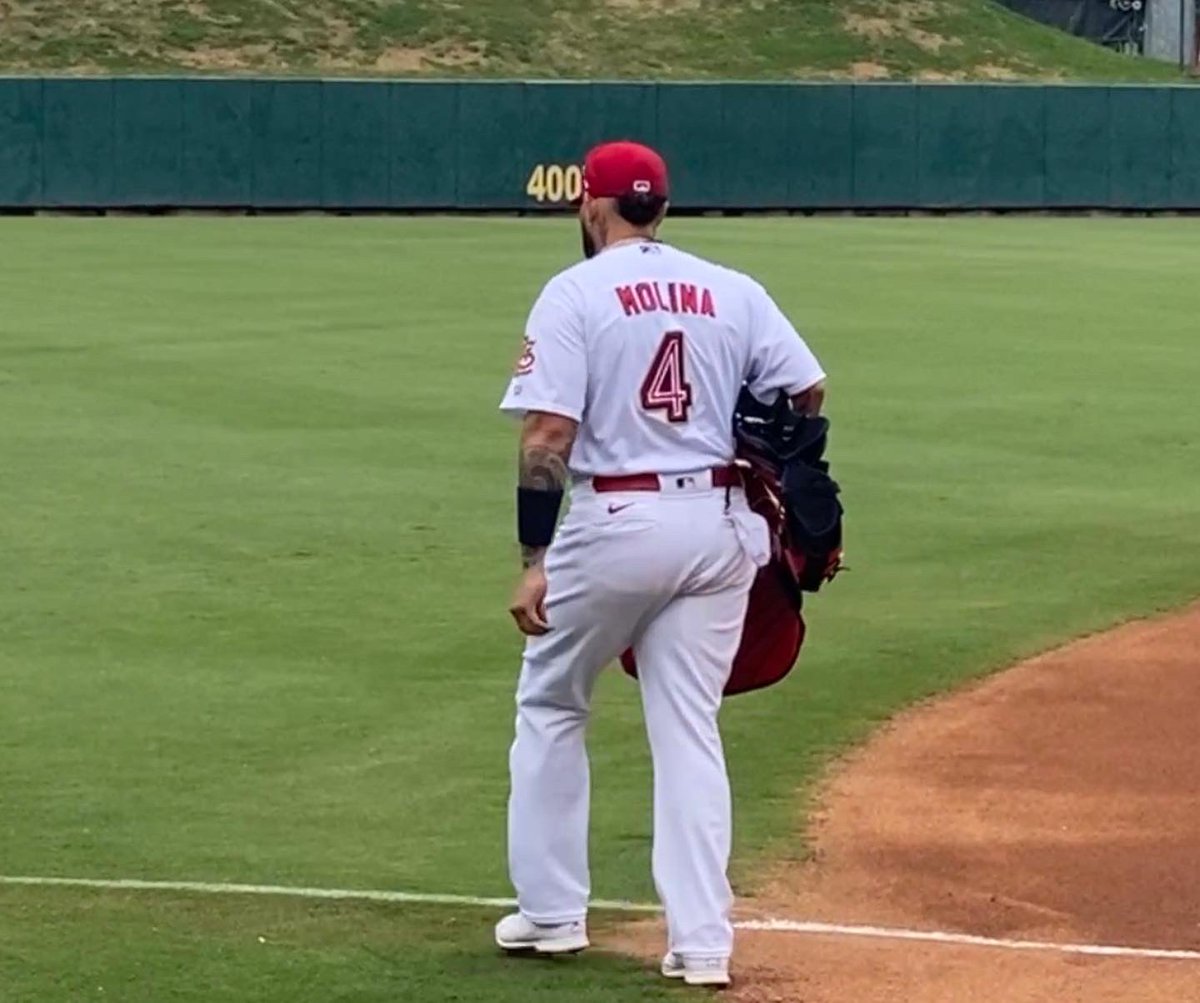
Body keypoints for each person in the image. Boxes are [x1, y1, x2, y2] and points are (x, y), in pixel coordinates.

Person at [494, 140, 826, 988]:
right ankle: (703, 941)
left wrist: (535, 558)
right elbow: (807, 391)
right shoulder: (731, 287)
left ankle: (552, 912)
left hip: (616, 519)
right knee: (688, 726)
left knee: (553, 697)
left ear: (590, 205)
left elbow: (548, 435)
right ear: (663, 209)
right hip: (718, 527)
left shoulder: (574, 292)